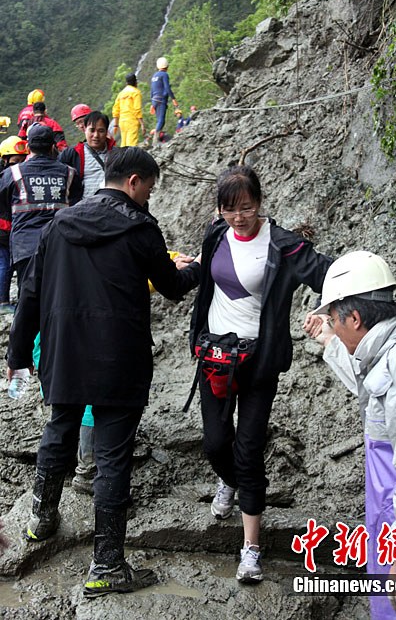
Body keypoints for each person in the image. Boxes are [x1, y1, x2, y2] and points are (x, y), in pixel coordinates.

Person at [6, 146, 201, 597]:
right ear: (133, 181)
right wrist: (198, 267)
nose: (149, 196)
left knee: (60, 430)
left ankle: (40, 519)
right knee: (113, 458)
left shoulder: (59, 223)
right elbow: (171, 286)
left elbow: (30, 292)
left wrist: (18, 353)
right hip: (119, 358)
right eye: (149, 187)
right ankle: (107, 565)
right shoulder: (140, 227)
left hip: (65, 353)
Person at [188, 164, 332, 582]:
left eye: (247, 208)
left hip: (258, 361)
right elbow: (203, 272)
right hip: (215, 355)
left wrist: (325, 309)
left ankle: (250, 549)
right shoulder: (216, 233)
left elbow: (329, 274)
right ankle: (231, 481)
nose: (239, 217)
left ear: (260, 203)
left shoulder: (283, 245)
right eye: (230, 209)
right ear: (220, 209)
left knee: (248, 449)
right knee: (216, 443)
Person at [304, 250, 396, 619]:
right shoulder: (389, 352)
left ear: (355, 318)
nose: (334, 327)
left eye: (335, 320)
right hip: (394, 522)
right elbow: (371, 388)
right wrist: (330, 340)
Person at [0, 124, 81, 293]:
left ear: (28, 148)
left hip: (25, 247)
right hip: (60, 246)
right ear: (53, 147)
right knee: (58, 295)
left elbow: (4, 208)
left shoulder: (12, 174)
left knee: (28, 297)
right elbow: (75, 206)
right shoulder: (70, 173)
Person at [0, 136, 28, 313]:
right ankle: (3, 302)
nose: (19, 165)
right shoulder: (5, 178)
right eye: (15, 161)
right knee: (5, 264)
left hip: (10, 227)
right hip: (4, 228)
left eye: (22, 161)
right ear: (5, 159)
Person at [59, 111, 115, 198]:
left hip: (111, 203)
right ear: (85, 129)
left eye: (101, 131)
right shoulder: (72, 154)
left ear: (106, 131)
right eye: (92, 130)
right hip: (83, 204)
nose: (96, 135)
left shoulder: (116, 154)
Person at [111, 73, 145, 147]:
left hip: (122, 122)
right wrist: (142, 124)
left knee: (123, 144)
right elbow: (137, 109)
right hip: (132, 121)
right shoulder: (136, 92)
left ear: (126, 83)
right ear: (136, 82)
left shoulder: (121, 93)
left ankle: (123, 155)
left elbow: (115, 110)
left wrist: (115, 125)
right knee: (131, 145)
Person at [150, 57, 178, 145]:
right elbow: (167, 88)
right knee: (161, 121)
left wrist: (152, 103)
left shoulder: (154, 76)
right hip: (161, 99)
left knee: (159, 120)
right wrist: (173, 99)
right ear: (167, 66)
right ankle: (156, 141)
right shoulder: (164, 75)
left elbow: (152, 90)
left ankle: (157, 139)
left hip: (154, 100)